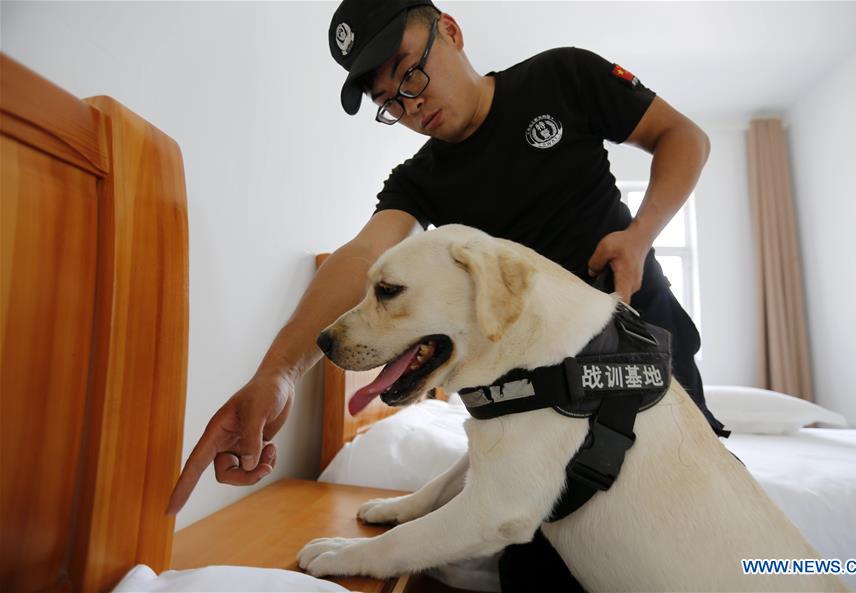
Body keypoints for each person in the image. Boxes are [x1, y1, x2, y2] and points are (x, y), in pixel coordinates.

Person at [167, 0, 730, 590]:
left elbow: (681, 136)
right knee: (542, 572)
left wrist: (640, 236)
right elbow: (360, 260)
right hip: (533, 396)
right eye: (389, 102)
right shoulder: (421, 179)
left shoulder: (562, 77)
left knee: (698, 544)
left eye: (410, 72)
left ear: (451, 31)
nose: (410, 105)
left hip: (635, 358)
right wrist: (278, 374)